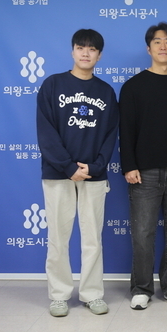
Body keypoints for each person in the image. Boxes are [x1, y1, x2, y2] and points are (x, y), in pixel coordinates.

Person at [36, 29, 119, 317]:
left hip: (93, 174)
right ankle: (59, 295)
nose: (86, 53)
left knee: (92, 238)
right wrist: (68, 166)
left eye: (92, 49)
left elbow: (110, 135)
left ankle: (92, 294)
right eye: (81, 47)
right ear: (72, 51)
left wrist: (94, 167)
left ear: (99, 55)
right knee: (58, 238)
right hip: (58, 173)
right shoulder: (53, 84)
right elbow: (45, 131)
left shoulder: (106, 92)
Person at [119, 22, 167, 310]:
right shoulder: (133, 87)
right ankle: (141, 288)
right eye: (157, 42)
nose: (163, 46)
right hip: (144, 173)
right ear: (148, 48)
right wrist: (129, 165)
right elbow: (126, 130)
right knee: (142, 234)